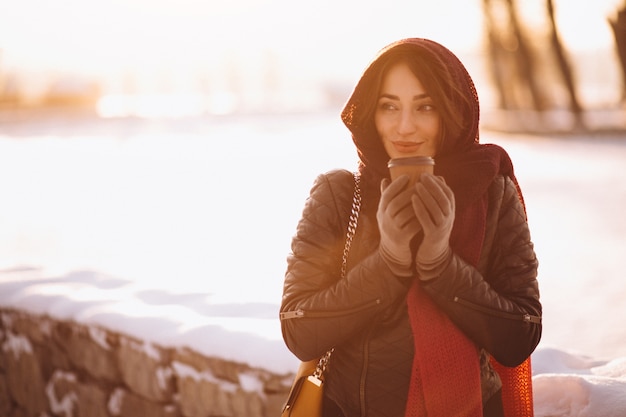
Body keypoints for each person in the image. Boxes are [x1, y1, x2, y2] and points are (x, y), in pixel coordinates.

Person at [279, 38, 542, 417]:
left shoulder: (493, 194)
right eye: (389, 106)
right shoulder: (339, 195)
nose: (404, 126)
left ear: (454, 112)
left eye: (426, 106)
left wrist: (441, 267)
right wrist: (388, 264)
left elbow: (521, 334)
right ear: (371, 111)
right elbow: (298, 330)